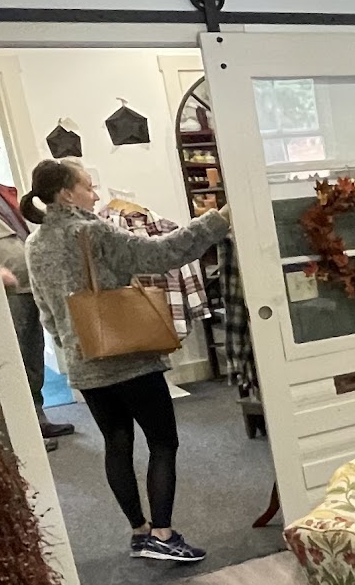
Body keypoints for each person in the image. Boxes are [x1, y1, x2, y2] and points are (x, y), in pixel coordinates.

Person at [22, 158, 231, 564]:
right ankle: (163, 534)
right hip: (129, 357)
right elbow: (162, 253)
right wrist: (218, 220)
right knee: (163, 441)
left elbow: (45, 310)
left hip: (85, 361)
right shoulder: (93, 231)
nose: (95, 194)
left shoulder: (35, 243)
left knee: (116, 443)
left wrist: (72, 343)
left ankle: (139, 533)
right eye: (87, 186)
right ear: (67, 194)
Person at [0, 129, 76, 447]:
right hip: (3, 294)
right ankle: (22, 432)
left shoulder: (1, 192)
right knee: (11, 360)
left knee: (31, 355)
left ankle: (36, 419)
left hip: (30, 287)